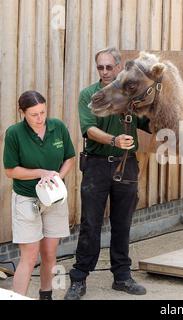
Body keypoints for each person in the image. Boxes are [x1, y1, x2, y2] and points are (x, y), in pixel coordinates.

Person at [64, 47, 150, 300]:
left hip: (127, 165)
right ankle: (79, 278)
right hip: (97, 165)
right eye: (100, 67)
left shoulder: (131, 95)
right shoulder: (89, 95)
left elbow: (149, 123)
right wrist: (114, 140)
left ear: (118, 66)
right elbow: (89, 130)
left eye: (108, 67)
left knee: (122, 222)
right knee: (90, 223)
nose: (104, 71)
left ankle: (122, 276)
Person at [3, 91, 76, 300]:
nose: (40, 118)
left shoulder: (58, 127)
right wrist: (40, 173)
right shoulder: (14, 133)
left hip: (54, 199)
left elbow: (69, 158)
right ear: (22, 113)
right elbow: (10, 170)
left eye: (43, 112)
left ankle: (46, 295)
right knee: (29, 256)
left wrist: (57, 178)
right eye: (34, 114)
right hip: (27, 200)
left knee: (50, 254)